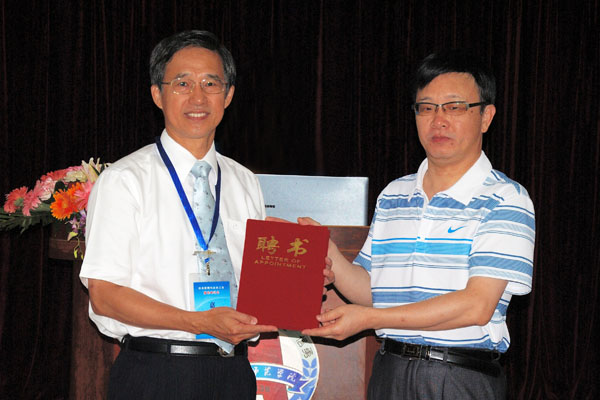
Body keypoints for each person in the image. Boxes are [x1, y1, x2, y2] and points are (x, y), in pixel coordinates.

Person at [301, 50, 535, 399]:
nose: (438, 120)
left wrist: (368, 319)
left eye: (454, 107)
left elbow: (476, 306)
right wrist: (329, 254)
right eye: (426, 108)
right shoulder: (393, 195)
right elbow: (373, 292)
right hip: (389, 371)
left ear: (486, 117)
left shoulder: (505, 198)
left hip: (458, 376)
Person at [79, 30, 277, 399]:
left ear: (228, 95)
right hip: (156, 372)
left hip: (234, 372)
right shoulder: (125, 180)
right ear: (158, 94)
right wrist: (196, 321)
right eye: (182, 83)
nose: (198, 97)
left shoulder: (245, 181)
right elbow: (104, 295)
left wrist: (300, 276)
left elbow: (257, 280)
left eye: (210, 83)